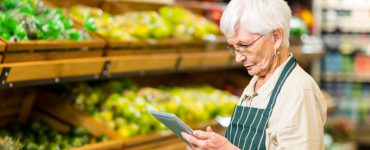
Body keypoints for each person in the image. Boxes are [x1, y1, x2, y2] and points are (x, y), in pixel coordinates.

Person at [181, 0, 327, 149]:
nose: (238, 58)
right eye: (234, 48)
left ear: (275, 38)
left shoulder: (299, 92)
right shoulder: (255, 84)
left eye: (244, 45)